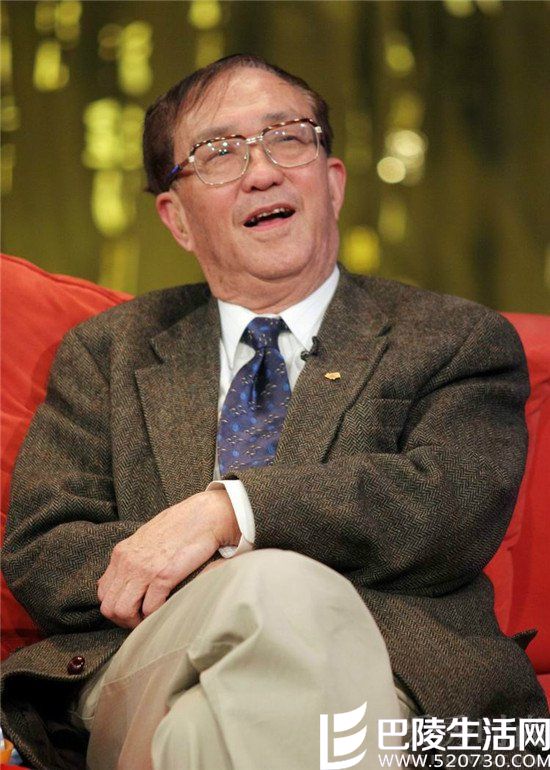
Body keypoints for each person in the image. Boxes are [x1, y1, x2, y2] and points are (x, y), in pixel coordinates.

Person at [2, 54, 547, 770]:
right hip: (147, 663)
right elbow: (45, 551)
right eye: (219, 152)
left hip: (400, 680)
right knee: (270, 587)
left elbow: (450, 503)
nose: (261, 171)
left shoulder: (453, 338)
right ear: (177, 218)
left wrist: (231, 514)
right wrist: (235, 577)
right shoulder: (109, 352)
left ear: (333, 181)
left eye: (287, 137)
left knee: (201, 733)